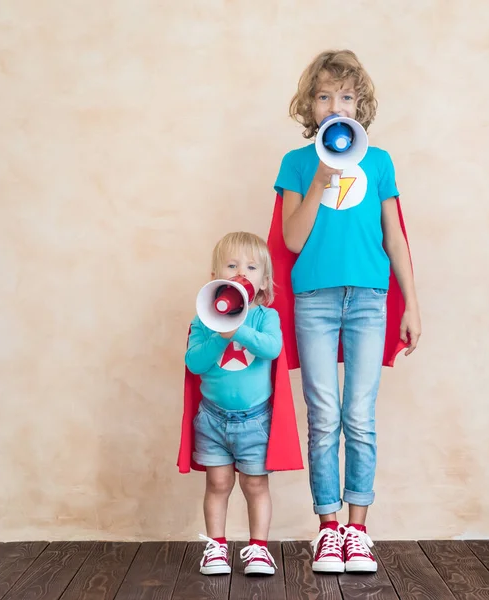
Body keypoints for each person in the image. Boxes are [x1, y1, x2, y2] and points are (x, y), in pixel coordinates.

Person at [270, 49, 421, 573]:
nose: (337, 105)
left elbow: (395, 237)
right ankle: (328, 530)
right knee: (324, 416)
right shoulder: (296, 164)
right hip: (314, 299)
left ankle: (358, 530)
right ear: (309, 107)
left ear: (361, 106)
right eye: (325, 95)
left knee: (359, 415)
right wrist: (319, 179)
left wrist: (412, 304)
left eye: (348, 96)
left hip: (369, 300)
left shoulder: (378, 162)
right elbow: (291, 238)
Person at [178, 231, 303, 576]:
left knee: (255, 484)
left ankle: (258, 549)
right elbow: (194, 363)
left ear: (263, 283)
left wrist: (238, 330)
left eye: (250, 267)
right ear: (216, 276)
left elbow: (272, 348)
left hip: (255, 422)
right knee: (217, 484)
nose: (241, 273)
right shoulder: (203, 318)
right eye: (232, 266)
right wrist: (220, 334)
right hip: (213, 421)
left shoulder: (265, 317)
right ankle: (216, 547)